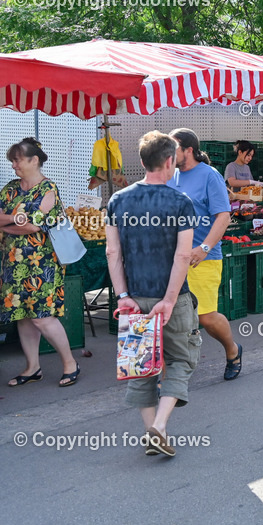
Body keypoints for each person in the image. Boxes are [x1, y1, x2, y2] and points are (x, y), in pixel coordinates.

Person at [105, 131, 200, 458]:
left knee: (141, 365)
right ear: (170, 161)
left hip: (135, 298)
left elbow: (112, 253)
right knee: (182, 359)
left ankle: (152, 431)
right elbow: (183, 256)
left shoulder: (117, 200)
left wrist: (122, 296)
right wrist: (170, 299)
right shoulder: (180, 202)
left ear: (143, 162)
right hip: (171, 298)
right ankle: (158, 426)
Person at [0, 139, 79, 389]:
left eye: (18, 160)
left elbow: (33, 226)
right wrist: (14, 218)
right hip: (14, 261)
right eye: (12, 161)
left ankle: (70, 363)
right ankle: (32, 367)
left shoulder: (48, 189)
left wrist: (7, 223)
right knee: (23, 315)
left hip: (43, 262)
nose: (14, 165)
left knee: (42, 317)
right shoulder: (11, 188)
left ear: (34, 160)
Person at [169, 129, 242, 381]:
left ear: (189, 150)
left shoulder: (209, 175)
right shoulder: (170, 175)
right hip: (174, 258)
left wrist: (204, 248)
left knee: (205, 317)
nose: (169, 153)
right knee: (170, 314)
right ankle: (173, 371)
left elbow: (223, 216)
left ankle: (232, 349)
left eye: (173, 148)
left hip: (203, 258)